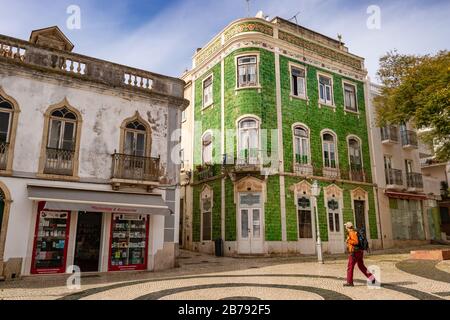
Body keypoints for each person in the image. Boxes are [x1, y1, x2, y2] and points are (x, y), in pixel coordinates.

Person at [344, 222, 376, 287]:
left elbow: (355, 242)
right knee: (361, 266)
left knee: (350, 267)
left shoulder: (352, 232)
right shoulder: (355, 232)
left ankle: (349, 282)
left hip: (354, 252)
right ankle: (372, 278)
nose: (345, 228)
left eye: (346, 226)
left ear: (348, 227)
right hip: (359, 251)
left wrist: (348, 241)